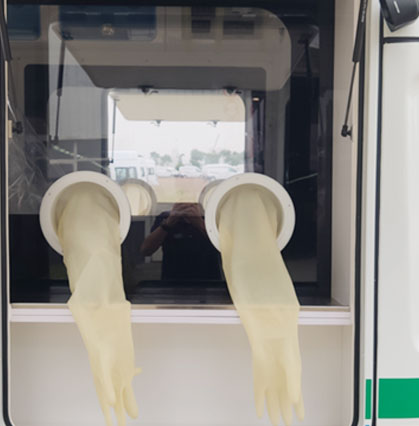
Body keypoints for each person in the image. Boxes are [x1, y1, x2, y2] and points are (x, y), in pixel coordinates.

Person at [140, 203, 222, 281]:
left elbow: (223, 248)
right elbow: (146, 250)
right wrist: (168, 223)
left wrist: (199, 222)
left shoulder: (212, 217)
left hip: (209, 283)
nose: (186, 205)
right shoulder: (165, 217)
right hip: (172, 283)